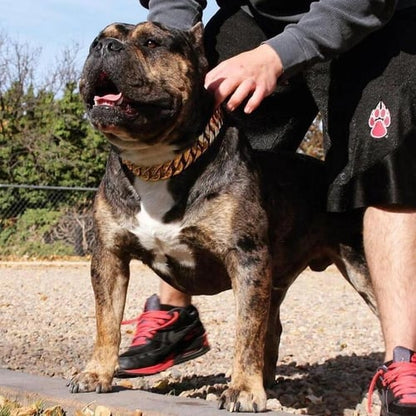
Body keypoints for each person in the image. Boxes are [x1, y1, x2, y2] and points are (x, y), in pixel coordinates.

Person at [117, 1, 416, 414]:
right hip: (260, 16)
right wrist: (168, 42)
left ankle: (404, 362)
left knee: (387, 166)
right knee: (194, 110)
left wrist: (278, 54)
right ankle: (176, 314)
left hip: (375, 20)